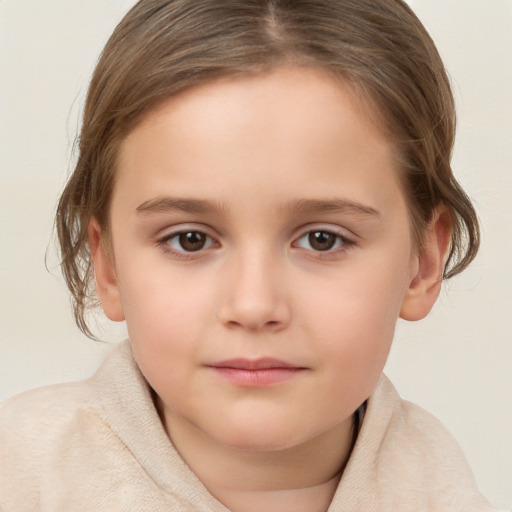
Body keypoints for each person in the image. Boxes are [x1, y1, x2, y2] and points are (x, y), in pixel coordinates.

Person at [0, 0, 500, 510]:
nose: (254, 306)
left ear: (423, 263)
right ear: (108, 267)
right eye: (189, 239)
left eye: (322, 239)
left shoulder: (443, 494)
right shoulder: (22, 475)